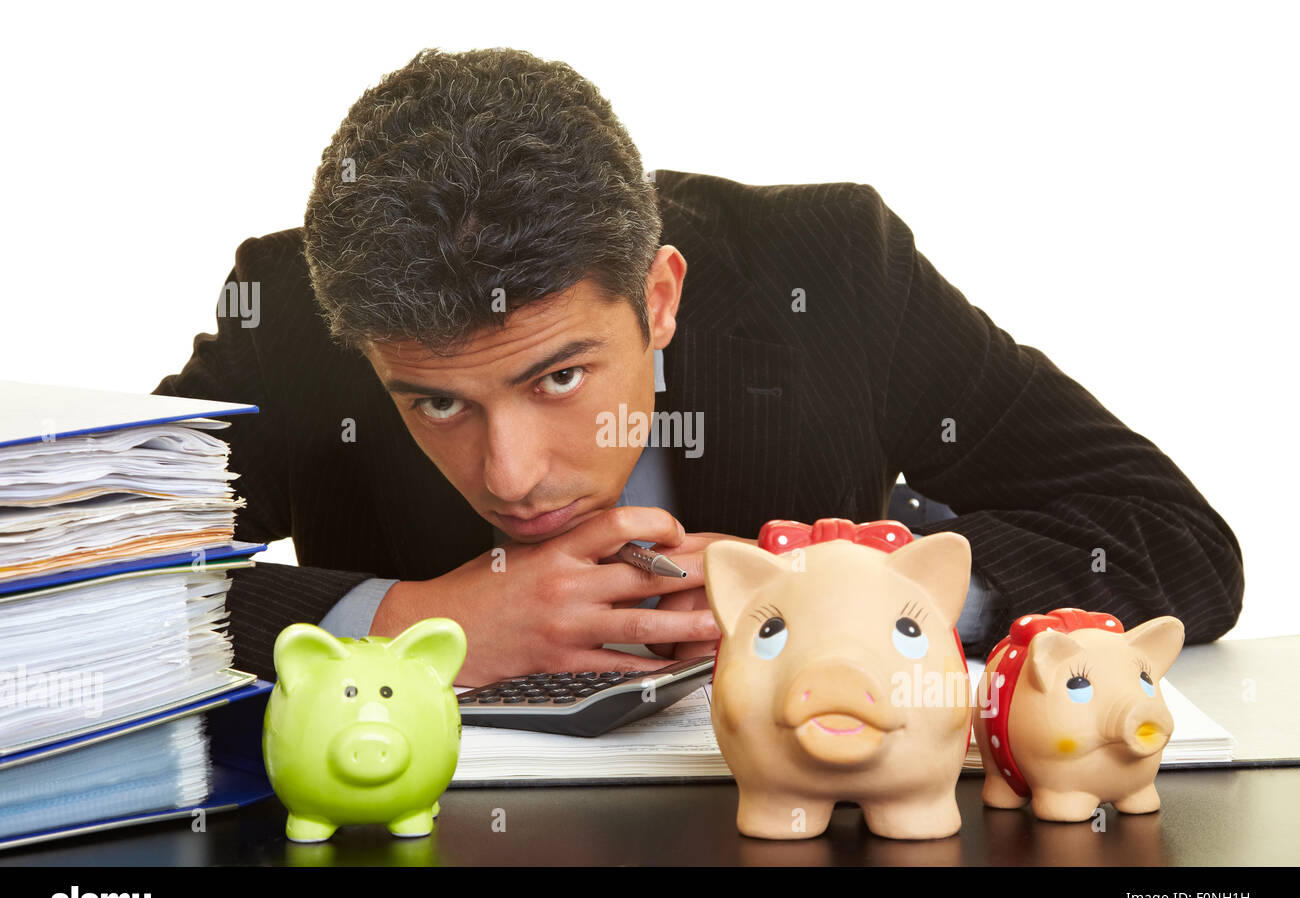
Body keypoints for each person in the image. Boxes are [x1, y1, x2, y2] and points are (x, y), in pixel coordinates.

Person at [153, 47, 1244, 687]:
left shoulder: (833, 268)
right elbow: (57, 586)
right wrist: (411, 625)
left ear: (659, 295)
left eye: (559, 377)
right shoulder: (299, 314)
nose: (514, 473)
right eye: (437, 400)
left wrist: (850, 594)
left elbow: (1173, 538)